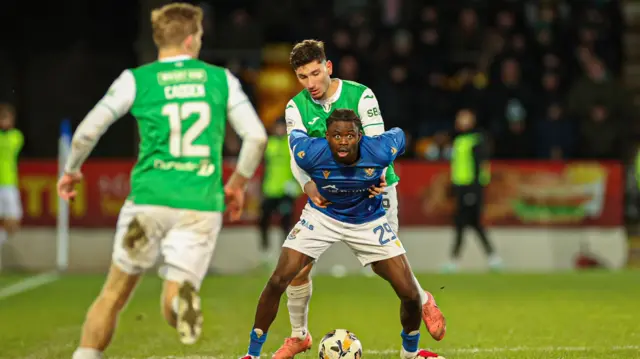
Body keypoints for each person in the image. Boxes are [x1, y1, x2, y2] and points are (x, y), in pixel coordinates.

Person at [57, 4, 267, 359]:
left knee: (113, 294)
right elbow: (257, 137)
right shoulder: (220, 79)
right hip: (200, 205)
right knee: (174, 294)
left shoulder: (137, 79)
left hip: (148, 201)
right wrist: (237, 184)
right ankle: (180, 301)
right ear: (190, 40)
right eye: (199, 36)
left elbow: (86, 132)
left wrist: (73, 168)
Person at [276, 39, 443, 359]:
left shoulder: (361, 95)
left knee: (389, 272)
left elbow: (378, 140)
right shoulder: (295, 106)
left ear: (328, 67)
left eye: (315, 73)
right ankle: (299, 335)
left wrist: (378, 175)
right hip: (328, 198)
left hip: (372, 192)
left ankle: (421, 308)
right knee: (298, 266)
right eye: (302, 77)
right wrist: (306, 185)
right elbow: (295, 153)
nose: (310, 83)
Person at [240, 109, 445, 359]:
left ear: (361, 136)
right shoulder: (308, 151)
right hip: (322, 216)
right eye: (336, 135)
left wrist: (383, 173)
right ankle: (253, 354)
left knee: (411, 293)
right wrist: (307, 184)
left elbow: (400, 135)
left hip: (368, 220)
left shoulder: (380, 149)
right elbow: (294, 140)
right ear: (326, 136)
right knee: (278, 280)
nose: (343, 141)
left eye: (350, 135)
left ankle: (410, 354)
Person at [442, 109, 502, 272]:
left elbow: (481, 165)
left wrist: (475, 189)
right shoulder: (459, 139)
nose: (460, 120)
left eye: (464, 117)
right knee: (474, 224)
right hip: (461, 187)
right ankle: (493, 258)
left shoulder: (477, 139)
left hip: (471, 187)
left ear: (472, 120)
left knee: (462, 223)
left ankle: (454, 261)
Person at [258, 118, 300, 266]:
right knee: (263, 220)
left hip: (286, 190)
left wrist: (295, 183)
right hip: (270, 189)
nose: (280, 130)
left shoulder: (291, 145)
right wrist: (261, 188)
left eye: (283, 127)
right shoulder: (269, 144)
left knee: (285, 222)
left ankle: (285, 253)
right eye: (278, 127)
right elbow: (265, 166)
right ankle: (265, 251)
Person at [0, 103, 24, 270]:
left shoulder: (16, 136)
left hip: (9, 184)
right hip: (3, 186)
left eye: (7, 118)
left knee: (14, 222)